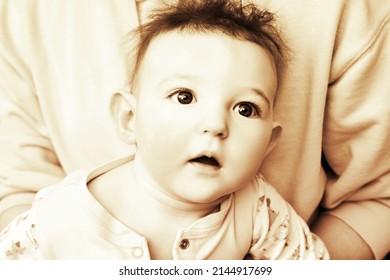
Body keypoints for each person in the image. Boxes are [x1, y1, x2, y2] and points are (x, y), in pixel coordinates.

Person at [0, 0, 388, 259]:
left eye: (245, 108)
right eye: (184, 97)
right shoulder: (58, 215)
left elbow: (313, 266)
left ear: (270, 143)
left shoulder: (262, 212)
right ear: (129, 119)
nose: (216, 125)